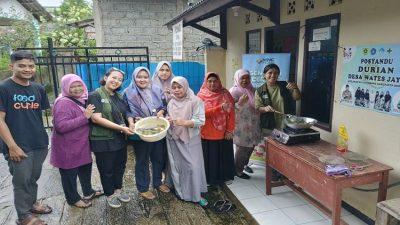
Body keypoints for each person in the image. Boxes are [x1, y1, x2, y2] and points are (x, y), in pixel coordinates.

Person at [0, 50, 52, 225]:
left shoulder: (38, 88)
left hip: (39, 142)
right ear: (11, 66)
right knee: (21, 181)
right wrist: (12, 146)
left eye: (31, 66)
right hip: (17, 144)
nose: (27, 69)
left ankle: (32, 203)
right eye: (21, 65)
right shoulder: (4, 88)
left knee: (33, 177)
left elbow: (39, 115)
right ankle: (23, 216)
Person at [50, 74, 103, 208]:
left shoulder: (82, 98)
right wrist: (85, 117)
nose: (77, 89)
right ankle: (73, 199)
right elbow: (61, 126)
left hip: (81, 144)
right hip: (67, 147)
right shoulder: (63, 103)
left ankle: (88, 192)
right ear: (65, 87)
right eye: (72, 86)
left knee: (85, 168)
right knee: (69, 174)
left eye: (79, 85)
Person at [88, 67, 134, 208]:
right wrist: (121, 128)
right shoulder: (95, 95)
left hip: (119, 139)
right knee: (106, 169)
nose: (116, 81)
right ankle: (109, 194)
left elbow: (127, 112)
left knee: (120, 166)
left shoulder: (119, 96)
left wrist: (131, 122)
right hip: (103, 140)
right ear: (106, 77)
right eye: (114, 77)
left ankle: (118, 190)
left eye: (119, 80)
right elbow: (96, 119)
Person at [123, 66, 170, 200]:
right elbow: (126, 110)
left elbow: (164, 105)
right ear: (134, 78)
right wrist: (131, 121)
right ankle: (143, 187)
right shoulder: (128, 92)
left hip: (157, 129)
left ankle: (157, 182)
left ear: (149, 78)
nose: (142, 79)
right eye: (139, 77)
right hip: (140, 131)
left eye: (145, 77)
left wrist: (161, 112)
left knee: (158, 157)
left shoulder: (156, 89)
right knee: (142, 159)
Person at [166, 76, 208, 206]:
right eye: (174, 88)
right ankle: (181, 192)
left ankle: (195, 194)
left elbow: (201, 120)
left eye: (180, 87)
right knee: (177, 166)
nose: (177, 90)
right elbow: (170, 116)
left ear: (185, 86)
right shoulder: (171, 102)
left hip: (190, 140)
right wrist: (167, 120)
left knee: (192, 167)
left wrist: (184, 122)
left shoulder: (195, 101)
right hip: (174, 138)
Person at [255, 63, 300, 181]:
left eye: (275, 73)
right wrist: (265, 109)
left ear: (278, 75)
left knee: (285, 150)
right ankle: (273, 173)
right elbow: (258, 107)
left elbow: (297, 98)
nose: (272, 75)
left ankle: (284, 173)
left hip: (286, 124)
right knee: (271, 151)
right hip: (269, 125)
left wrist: (295, 88)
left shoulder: (285, 86)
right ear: (264, 75)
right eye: (269, 73)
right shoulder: (260, 90)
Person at [197, 72, 235, 186]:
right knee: (209, 158)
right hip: (206, 132)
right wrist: (219, 108)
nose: (212, 83)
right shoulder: (200, 96)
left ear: (219, 82)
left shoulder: (225, 94)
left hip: (223, 132)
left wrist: (230, 130)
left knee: (224, 156)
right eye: (209, 81)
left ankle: (226, 177)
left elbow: (232, 113)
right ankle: (209, 180)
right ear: (205, 82)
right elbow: (201, 114)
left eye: (215, 81)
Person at [229, 69, 260, 179]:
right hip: (241, 126)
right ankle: (237, 171)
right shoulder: (233, 91)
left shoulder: (253, 89)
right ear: (237, 78)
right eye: (242, 78)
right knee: (242, 149)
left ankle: (244, 164)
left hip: (254, 124)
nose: (245, 80)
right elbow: (228, 109)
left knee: (251, 146)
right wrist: (239, 103)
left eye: (247, 77)